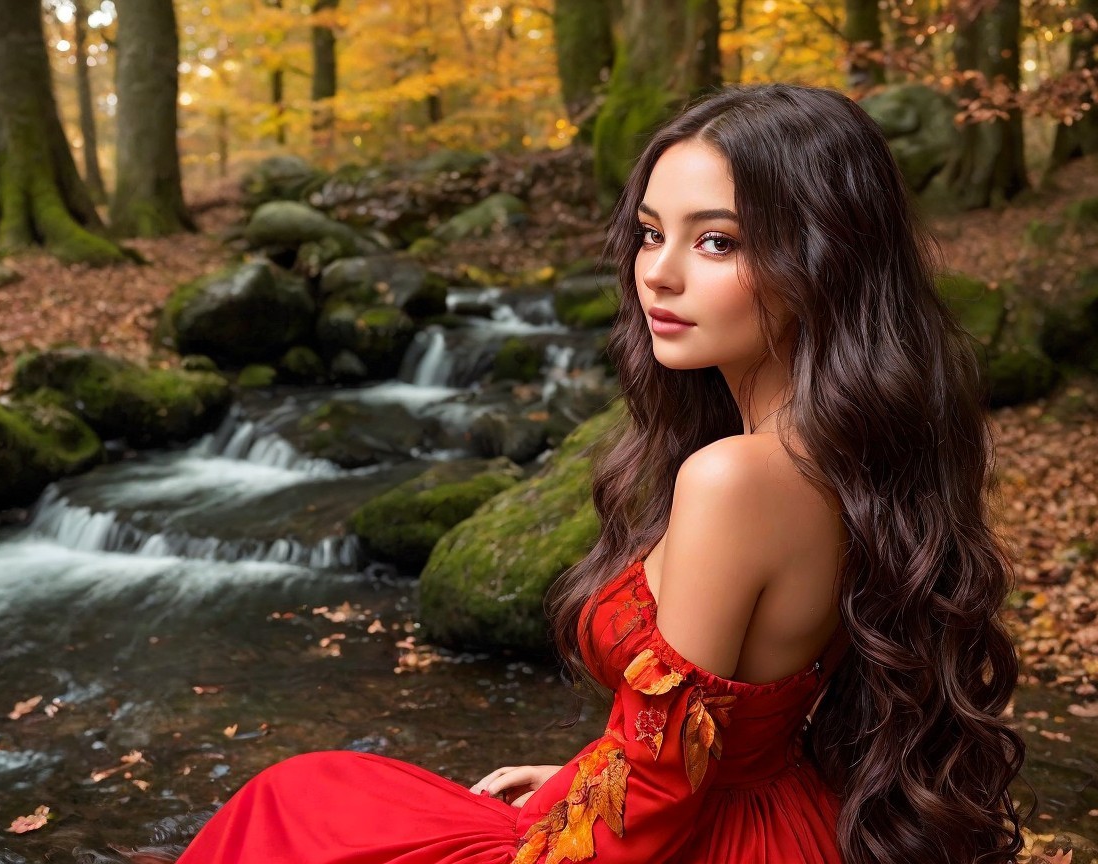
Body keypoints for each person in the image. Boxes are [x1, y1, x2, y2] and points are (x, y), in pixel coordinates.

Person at [175, 83, 1025, 864]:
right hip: (761, 809)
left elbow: (655, 798)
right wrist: (581, 777)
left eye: (717, 240)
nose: (658, 270)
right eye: (652, 232)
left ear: (824, 261)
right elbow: (717, 736)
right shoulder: (845, 447)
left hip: (695, 839)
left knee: (295, 807)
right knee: (316, 793)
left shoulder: (736, 478)